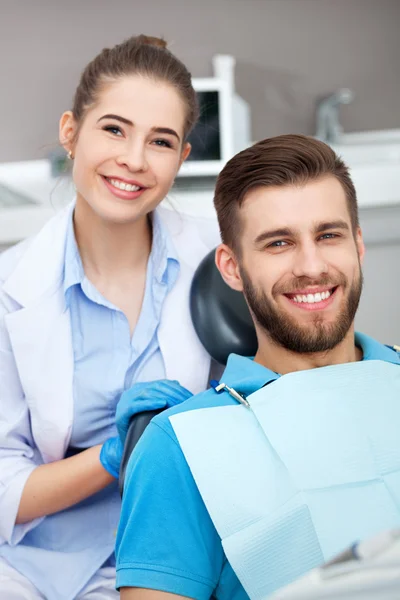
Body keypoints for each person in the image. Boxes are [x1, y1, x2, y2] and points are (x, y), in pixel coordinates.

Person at [115, 134, 400, 600]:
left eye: (329, 235)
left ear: (358, 245)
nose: (311, 266)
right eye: (278, 243)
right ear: (231, 267)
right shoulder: (180, 448)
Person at [0, 35, 219, 600]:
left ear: (181, 159)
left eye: (161, 141)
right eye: (115, 129)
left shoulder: (220, 264)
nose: (135, 160)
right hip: (37, 561)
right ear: (71, 133)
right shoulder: (9, 290)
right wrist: (112, 456)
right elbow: (3, 486)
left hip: (177, 549)